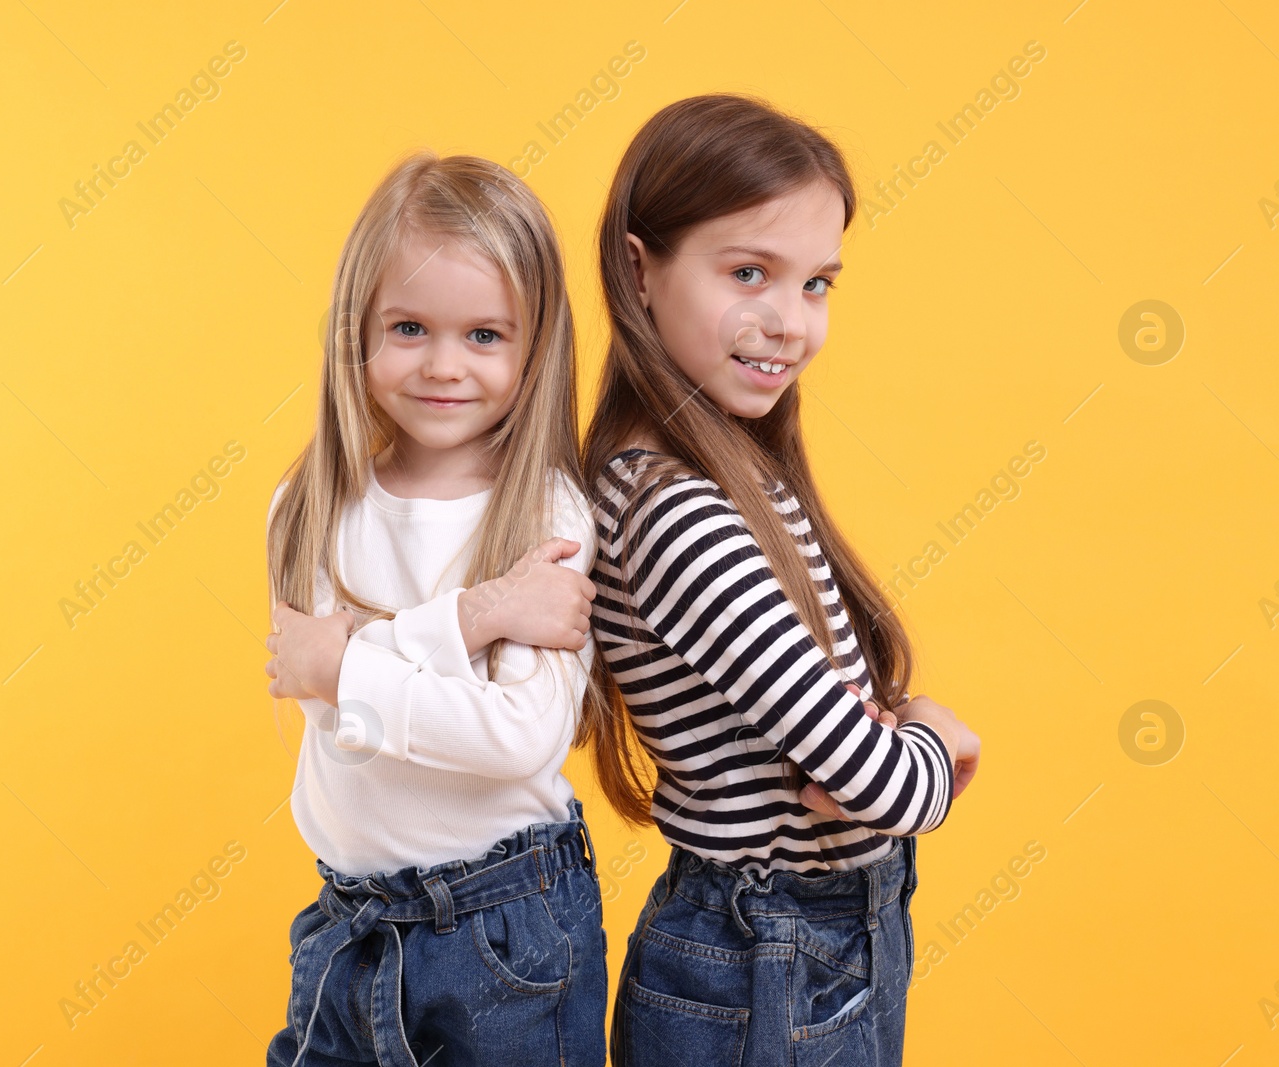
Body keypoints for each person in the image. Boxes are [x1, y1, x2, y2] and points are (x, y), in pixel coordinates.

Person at [579, 94, 983, 1066]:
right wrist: (934, 734)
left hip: (810, 945)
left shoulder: (731, 471)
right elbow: (880, 780)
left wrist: (879, 748)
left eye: (817, 284)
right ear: (640, 271)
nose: (789, 322)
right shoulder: (673, 508)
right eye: (749, 272)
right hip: (762, 957)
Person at [262, 151, 607, 1067]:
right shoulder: (310, 506)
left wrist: (349, 660)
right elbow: (330, 711)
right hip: (349, 923)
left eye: (485, 335)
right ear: (356, 332)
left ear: (536, 345)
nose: (445, 365)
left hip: (507, 930)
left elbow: (513, 739)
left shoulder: (548, 515)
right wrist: (473, 618)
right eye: (409, 327)